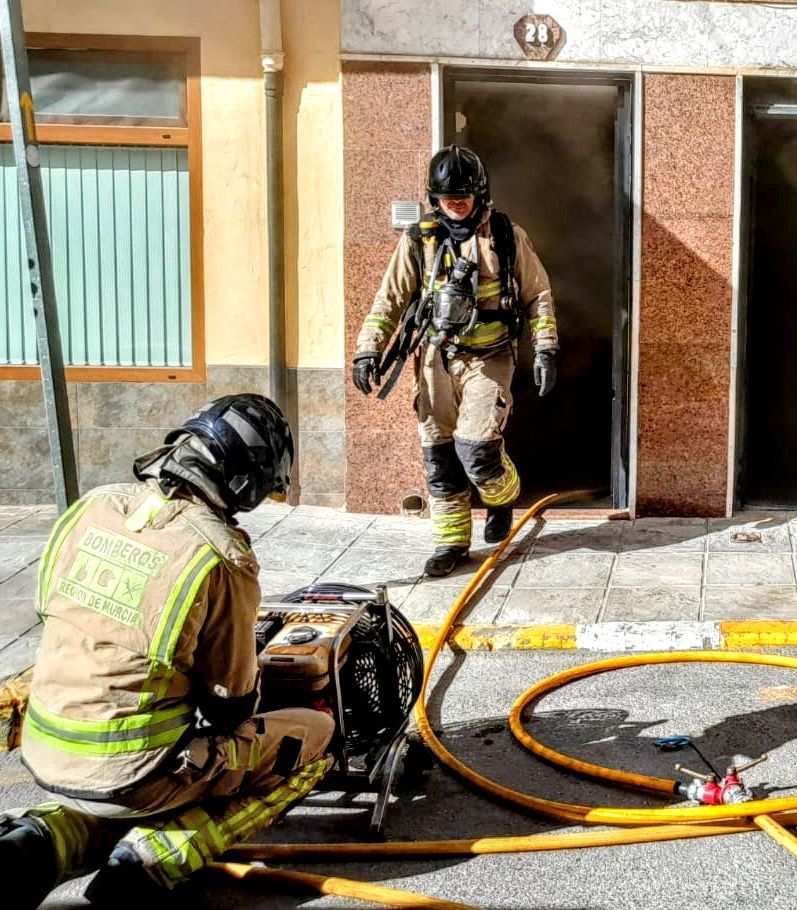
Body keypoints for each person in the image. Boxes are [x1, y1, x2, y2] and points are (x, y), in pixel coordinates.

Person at [0, 394, 334, 906]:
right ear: (244, 483)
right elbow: (230, 704)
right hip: (138, 772)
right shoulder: (219, 555)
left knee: (124, 785)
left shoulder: (92, 507)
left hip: (46, 749)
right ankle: (153, 860)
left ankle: (39, 841)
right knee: (316, 739)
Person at [352, 145, 559, 578]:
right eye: (447, 200)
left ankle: (502, 496)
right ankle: (451, 542)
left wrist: (545, 348)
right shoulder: (419, 240)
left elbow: (537, 294)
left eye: (462, 198)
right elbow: (389, 298)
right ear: (434, 199)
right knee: (440, 455)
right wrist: (368, 348)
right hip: (434, 361)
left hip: (490, 358)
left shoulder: (505, 235)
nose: (455, 206)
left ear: (479, 195)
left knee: (477, 449)